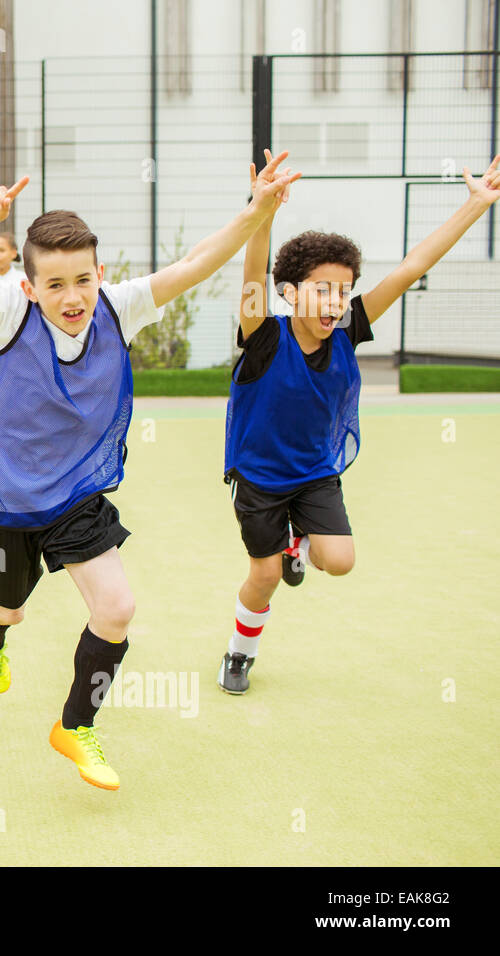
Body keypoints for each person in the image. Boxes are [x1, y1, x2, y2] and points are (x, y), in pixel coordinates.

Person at [0, 156, 300, 791]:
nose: (72, 298)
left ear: (99, 273)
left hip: (74, 491)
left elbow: (196, 263)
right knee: (10, 608)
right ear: (30, 286)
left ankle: (75, 725)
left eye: (82, 280)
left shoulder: (118, 309)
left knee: (118, 607)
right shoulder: (2, 312)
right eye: (55, 285)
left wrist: (257, 209)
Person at [218, 151, 500, 694]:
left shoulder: (348, 329)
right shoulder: (264, 334)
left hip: (315, 472)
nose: (335, 299)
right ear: (289, 291)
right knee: (266, 576)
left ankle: (297, 542)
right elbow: (254, 271)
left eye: (343, 289)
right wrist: (264, 210)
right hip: (258, 479)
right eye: (322, 288)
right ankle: (239, 652)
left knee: (340, 561)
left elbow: (412, 267)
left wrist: (475, 205)